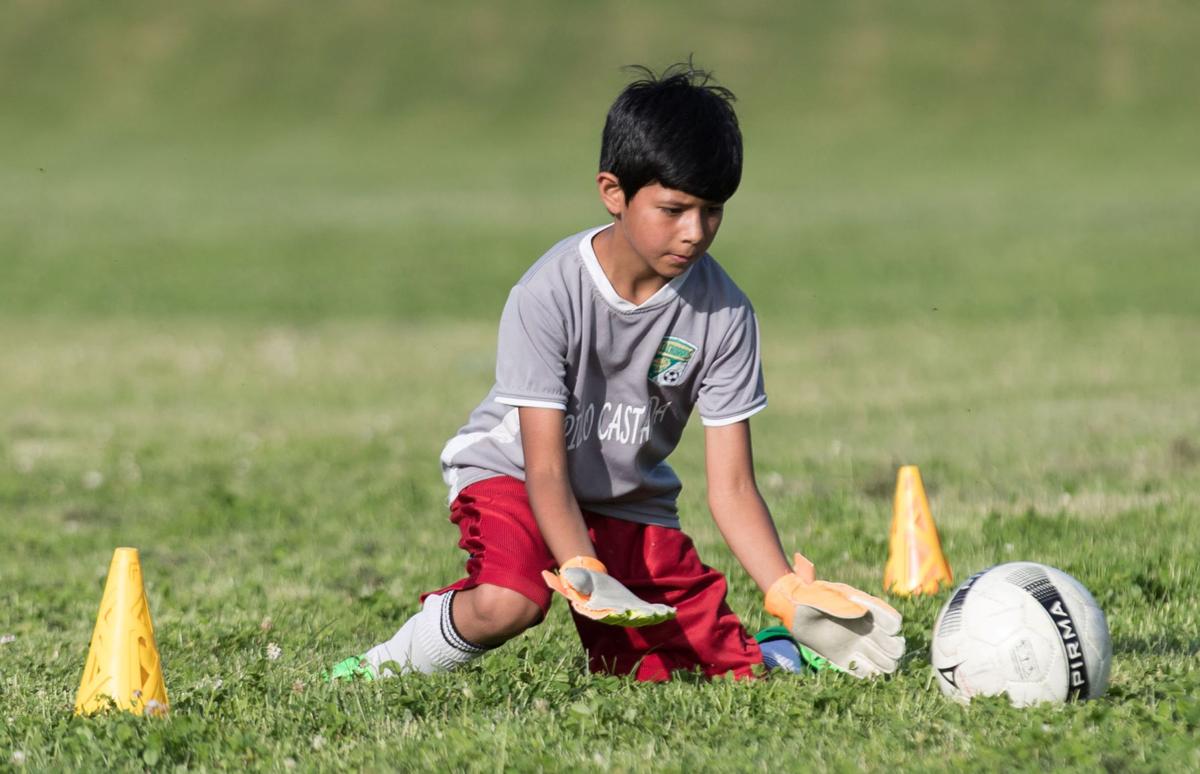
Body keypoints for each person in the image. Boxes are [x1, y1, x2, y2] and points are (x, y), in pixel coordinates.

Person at [330, 62, 904, 682]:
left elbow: (732, 488)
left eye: (712, 211)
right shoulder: (548, 293)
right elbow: (546, 469)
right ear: (613, 193)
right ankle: (387, 666)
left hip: (627, 502)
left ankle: (773, 646)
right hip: (516, 475)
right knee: (510, 601)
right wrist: (583, 564)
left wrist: (787, 592)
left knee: (715, 674)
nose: (695, 233)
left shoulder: (727, 313)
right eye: (673, 208)